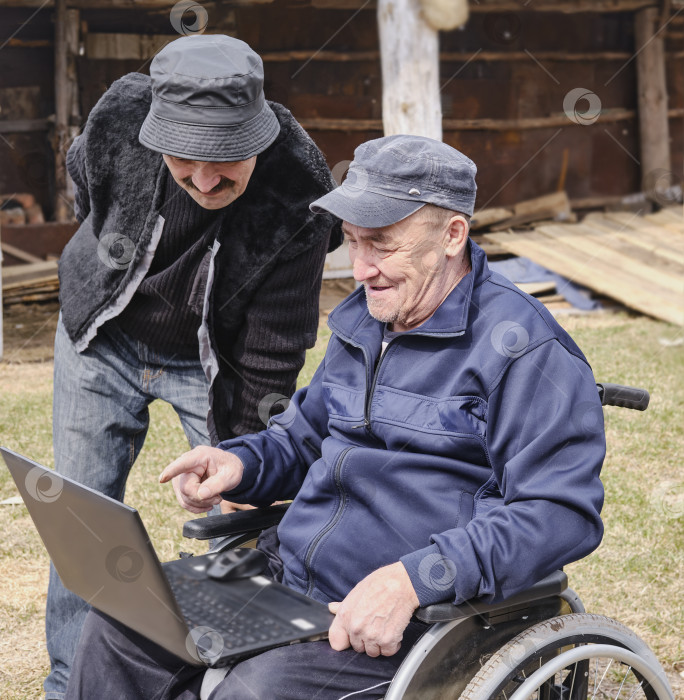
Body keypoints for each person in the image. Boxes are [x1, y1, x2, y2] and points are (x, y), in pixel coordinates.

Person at [64, 135, 607, 700]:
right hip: (290, 575)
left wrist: (415, 580)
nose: (362, 269)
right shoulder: (365, 321)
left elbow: (558, 513)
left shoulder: (524, 352)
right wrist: (239, 463)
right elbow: (303, 438)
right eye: (351, 243)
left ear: (452, 236)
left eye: (381, 245)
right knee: (121, 622)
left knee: (252, 695)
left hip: (415, 617)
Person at [46, 34, 340, 699]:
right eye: (188, 158)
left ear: (258, 137)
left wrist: (245, 451)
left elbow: (276, 343)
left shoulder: (300, 192)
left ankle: (214, 679)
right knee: (82, 527)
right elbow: (84, 194)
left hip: (211, 363)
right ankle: (71, 685)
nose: (207, 181)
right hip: (101, 338)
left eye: (228, 159)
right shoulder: (120, 117)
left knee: (238, 523)